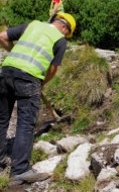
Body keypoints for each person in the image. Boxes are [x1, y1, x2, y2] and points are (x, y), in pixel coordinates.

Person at [0, 12, 76, 184]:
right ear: (64, 28)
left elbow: (2, 37)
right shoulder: (60, 40)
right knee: (26, 122)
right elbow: (53, 69)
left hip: (6, 72)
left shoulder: (32, 25)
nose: (66, 36)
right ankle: (20, 170)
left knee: (2, 119)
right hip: (30, 77)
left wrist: (14, 53)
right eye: (68, 33)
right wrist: (41, 83)